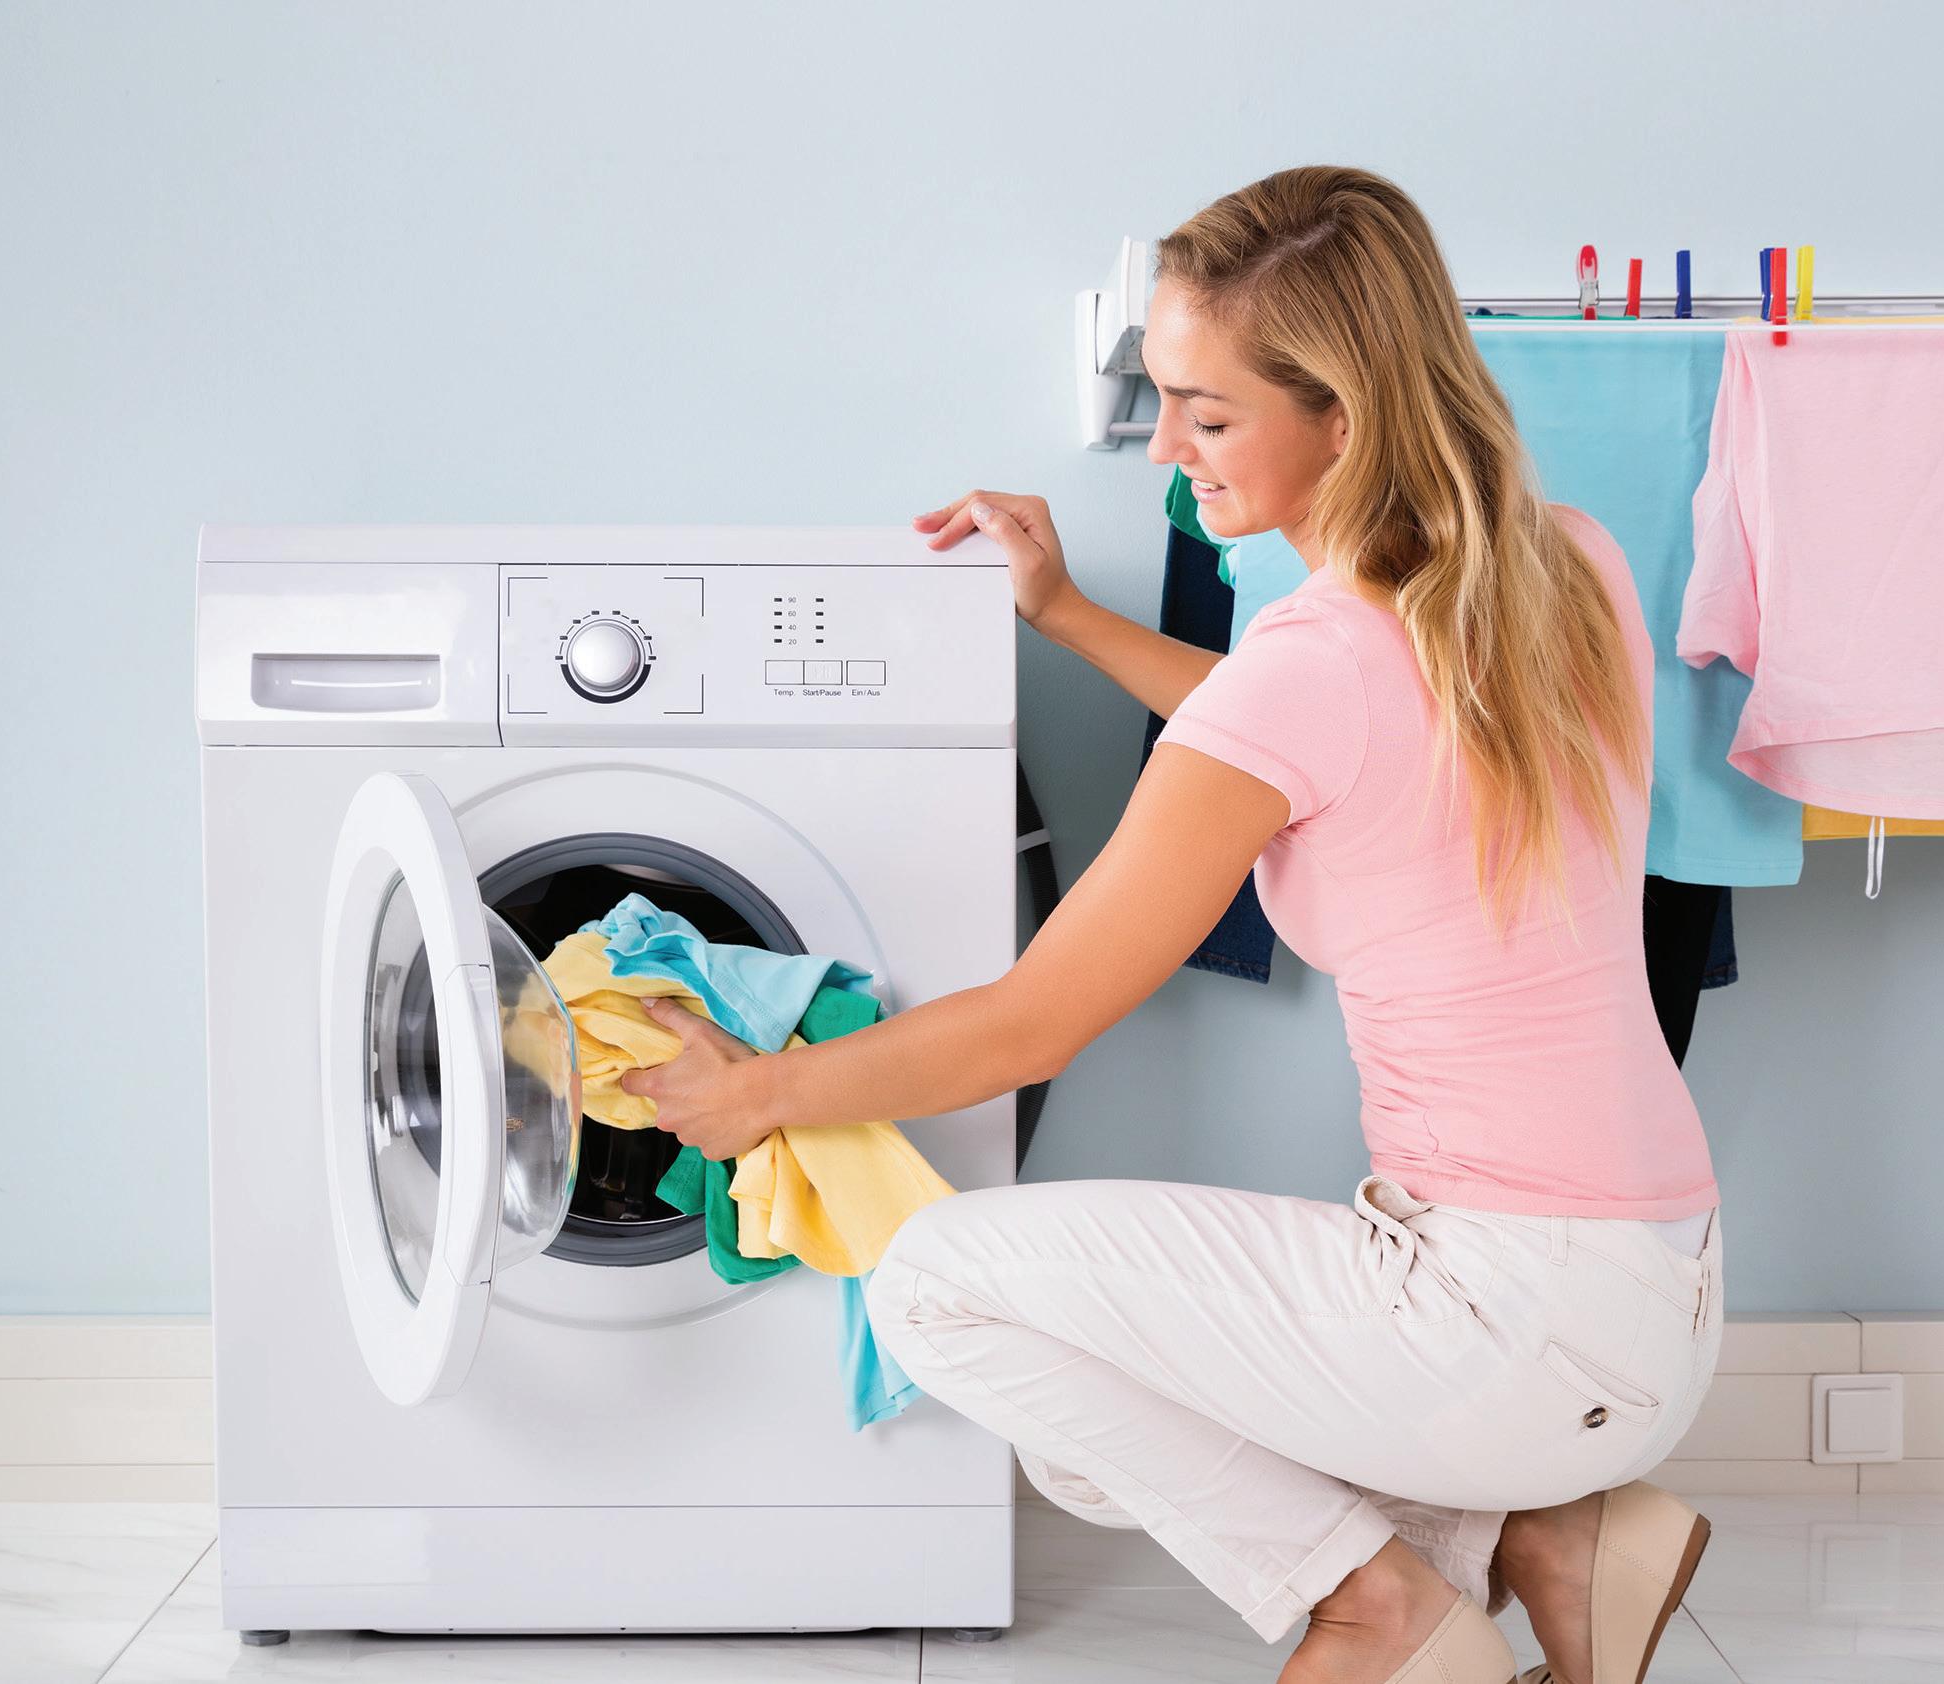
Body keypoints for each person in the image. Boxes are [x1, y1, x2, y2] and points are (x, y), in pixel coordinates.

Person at [620, 165, 1723, 1684]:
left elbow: (1035, 1023)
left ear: (1345, 419)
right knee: (1124, 1409)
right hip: (1660, 1290)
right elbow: (1311, 735)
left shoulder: (1316, 666)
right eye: (1161, 400)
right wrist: (1069, 613)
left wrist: (761, 1094)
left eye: (1206, 414)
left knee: (941, 1289)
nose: (1164, 447)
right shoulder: (1565, 566)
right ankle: (1553, 1532)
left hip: (1504, 1310)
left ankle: (1382, 1605)